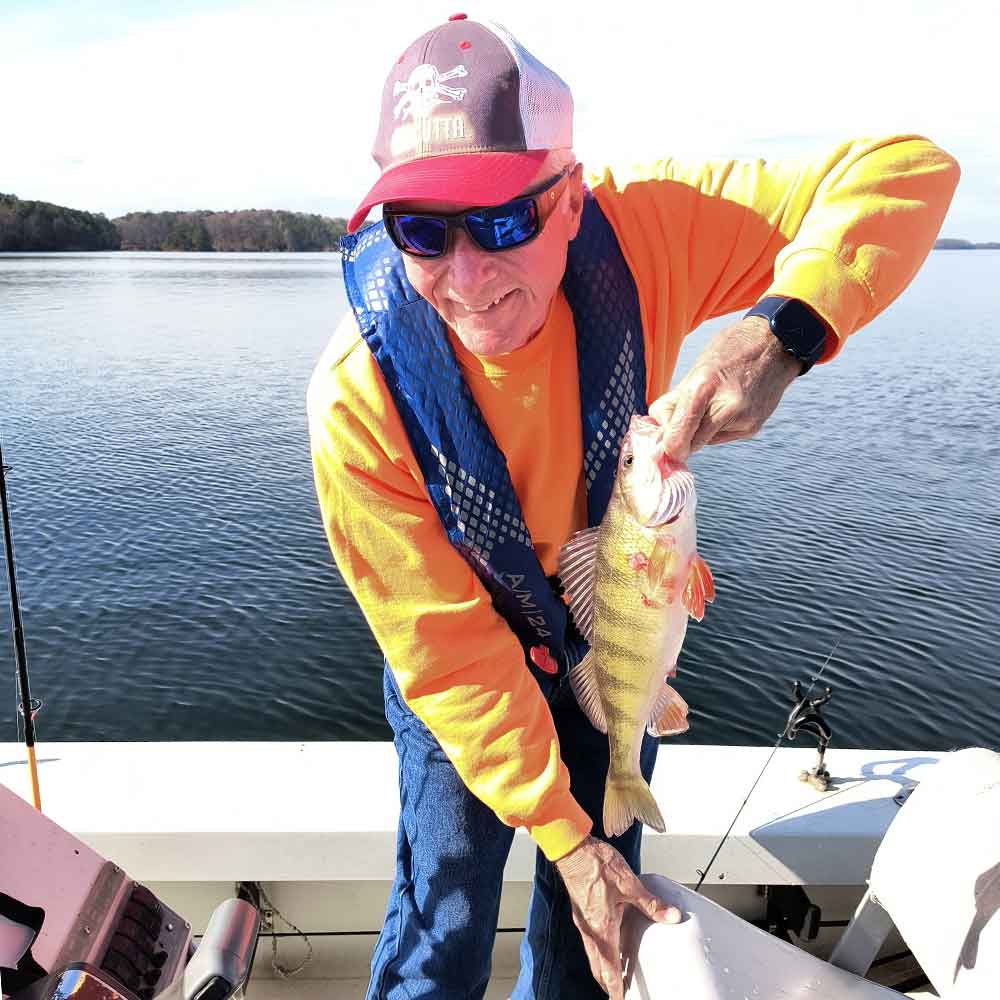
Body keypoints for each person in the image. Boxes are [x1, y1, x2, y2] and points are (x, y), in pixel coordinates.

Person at [307, 14, 959, 1000]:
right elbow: (446, 656)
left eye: (500, 221)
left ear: (569, 199)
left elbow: (908, 169)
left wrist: (780, 332)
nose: (468, 277)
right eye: (421, 231)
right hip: (465, 677)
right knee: (441, 923)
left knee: (592, 947)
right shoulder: (358, 400)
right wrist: (566, 839)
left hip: (613, 645)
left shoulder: (650, 231)